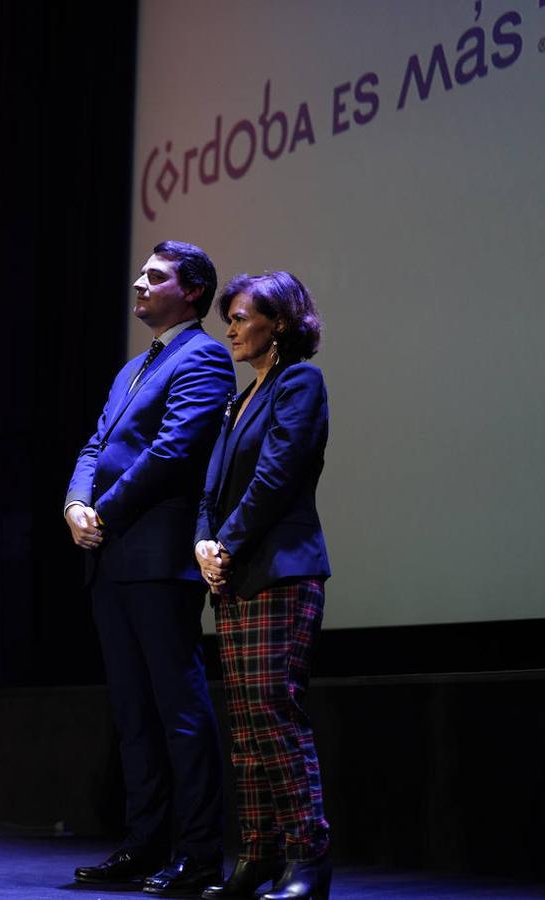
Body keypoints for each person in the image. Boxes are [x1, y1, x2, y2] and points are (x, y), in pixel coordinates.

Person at [65, 241, 235, 896]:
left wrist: (101, 508)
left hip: (157, 559)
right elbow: (94, 443)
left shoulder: (206, 358)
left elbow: (173, 451)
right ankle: (143, 847)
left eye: (156, 276)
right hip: (111, 559)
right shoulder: (133, 367)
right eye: (141, 272)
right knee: (134, 716)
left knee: (179, 711)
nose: (139, 281)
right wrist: (75, 503)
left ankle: (196, 857)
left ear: (192, 291)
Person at [194, 272, 331, 900]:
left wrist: (228, 541)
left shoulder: (299, 382)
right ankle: (255, 858)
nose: (230, 327)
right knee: (246, 726)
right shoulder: (236, 400)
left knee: (276, 716)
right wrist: (204, 542)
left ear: (278, 323)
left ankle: (308, 859)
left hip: (280, 569)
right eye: (230, 316)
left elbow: (276, 475)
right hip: (236, 575)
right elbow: (211, 488)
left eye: (243, 316)